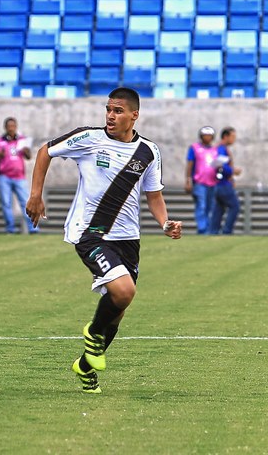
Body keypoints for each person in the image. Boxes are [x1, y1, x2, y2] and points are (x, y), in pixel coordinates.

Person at [25, 88, 182, 394]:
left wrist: (165, 223)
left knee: (119, 309)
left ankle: (85, 366)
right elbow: (45, 151)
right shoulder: (89, 139)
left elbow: (154, 196)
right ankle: (93, 336)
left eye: (118, 111)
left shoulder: (148, 152)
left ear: (134, 115)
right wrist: (35, 195)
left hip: (128, 239)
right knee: (124, 291)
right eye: (108, 109)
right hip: (90, 233)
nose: (111, 116)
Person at [0, 116, 37, 234]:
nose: (11, 128)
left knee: (26, 203)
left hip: (19, 176)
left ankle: (33, 228)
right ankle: (10, 229)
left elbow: (28, 157)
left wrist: (27, 151)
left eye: (13, 126)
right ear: (5, 127)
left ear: (16, 127)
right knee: (6, 203)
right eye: (9, 126)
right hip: (4, 176)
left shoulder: (22, 140)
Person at [185, 126, 219, 234]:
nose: (207, 137)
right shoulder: (194, 148)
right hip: (199, 183)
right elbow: (190, 164)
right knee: (202, 205)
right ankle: (202, 229)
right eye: (205, 135)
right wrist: (188, 180)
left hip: (212, 182)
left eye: (209, 135)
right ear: (201, 136)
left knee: (210, 207)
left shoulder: (215, 150)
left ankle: (209, 229)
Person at [209, 127, 242, 235]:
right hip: (223, 184)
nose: (234, 139)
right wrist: (233, 170)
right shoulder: (221, 149)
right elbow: (219, 166)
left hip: (218, 185)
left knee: (219, 209)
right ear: (225, 136)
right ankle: (227, 231)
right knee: (235, 206)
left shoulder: (220, 148)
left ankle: (213, 232)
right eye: (232, 137)